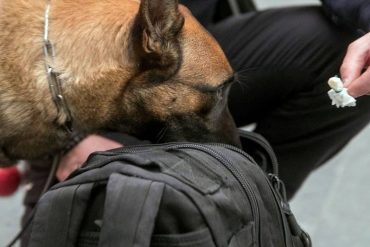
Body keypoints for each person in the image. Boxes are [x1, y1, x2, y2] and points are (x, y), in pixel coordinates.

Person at [18, 0, 370, 246]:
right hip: (84, 75)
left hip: (192, 44)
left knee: (337, 48)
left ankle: (251, 208)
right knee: (115, 215)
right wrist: (71, 132)